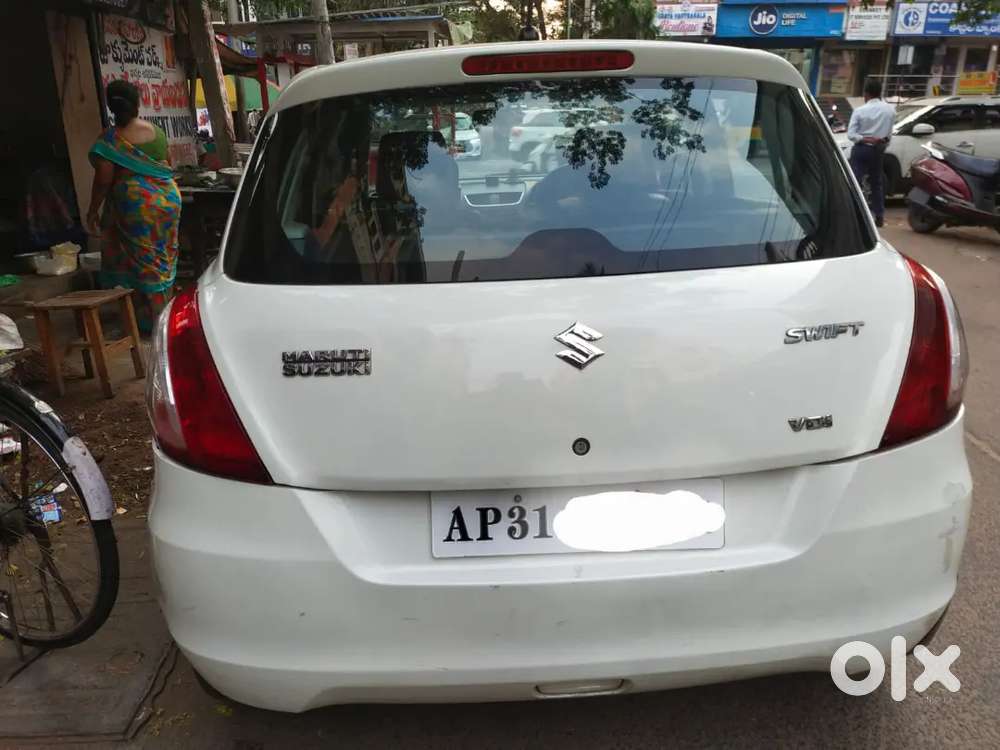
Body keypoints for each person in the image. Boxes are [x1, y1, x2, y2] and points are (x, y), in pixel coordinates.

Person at [86, 80, 181, 334]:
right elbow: (166, 164)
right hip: (168, 201)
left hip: (137, 206)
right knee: (162, 256)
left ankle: (157, 323)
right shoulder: (157, 132)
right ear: (137, 103)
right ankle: (163, 315)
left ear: (111, 106)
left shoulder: (110, 140)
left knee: (144, 263)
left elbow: (104, 179)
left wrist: (93, 210)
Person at [847, 78, 895, 227]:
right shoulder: (890, 110)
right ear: (880, 93)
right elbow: (889, 135)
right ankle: (879, 216)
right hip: (879, 150)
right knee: (876, 183)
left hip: (861, 149)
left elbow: (851, 134)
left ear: (866, 94)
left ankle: (853, 213)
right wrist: (880, 143)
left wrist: (864, 138)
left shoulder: (859, 111)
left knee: (855, 182)